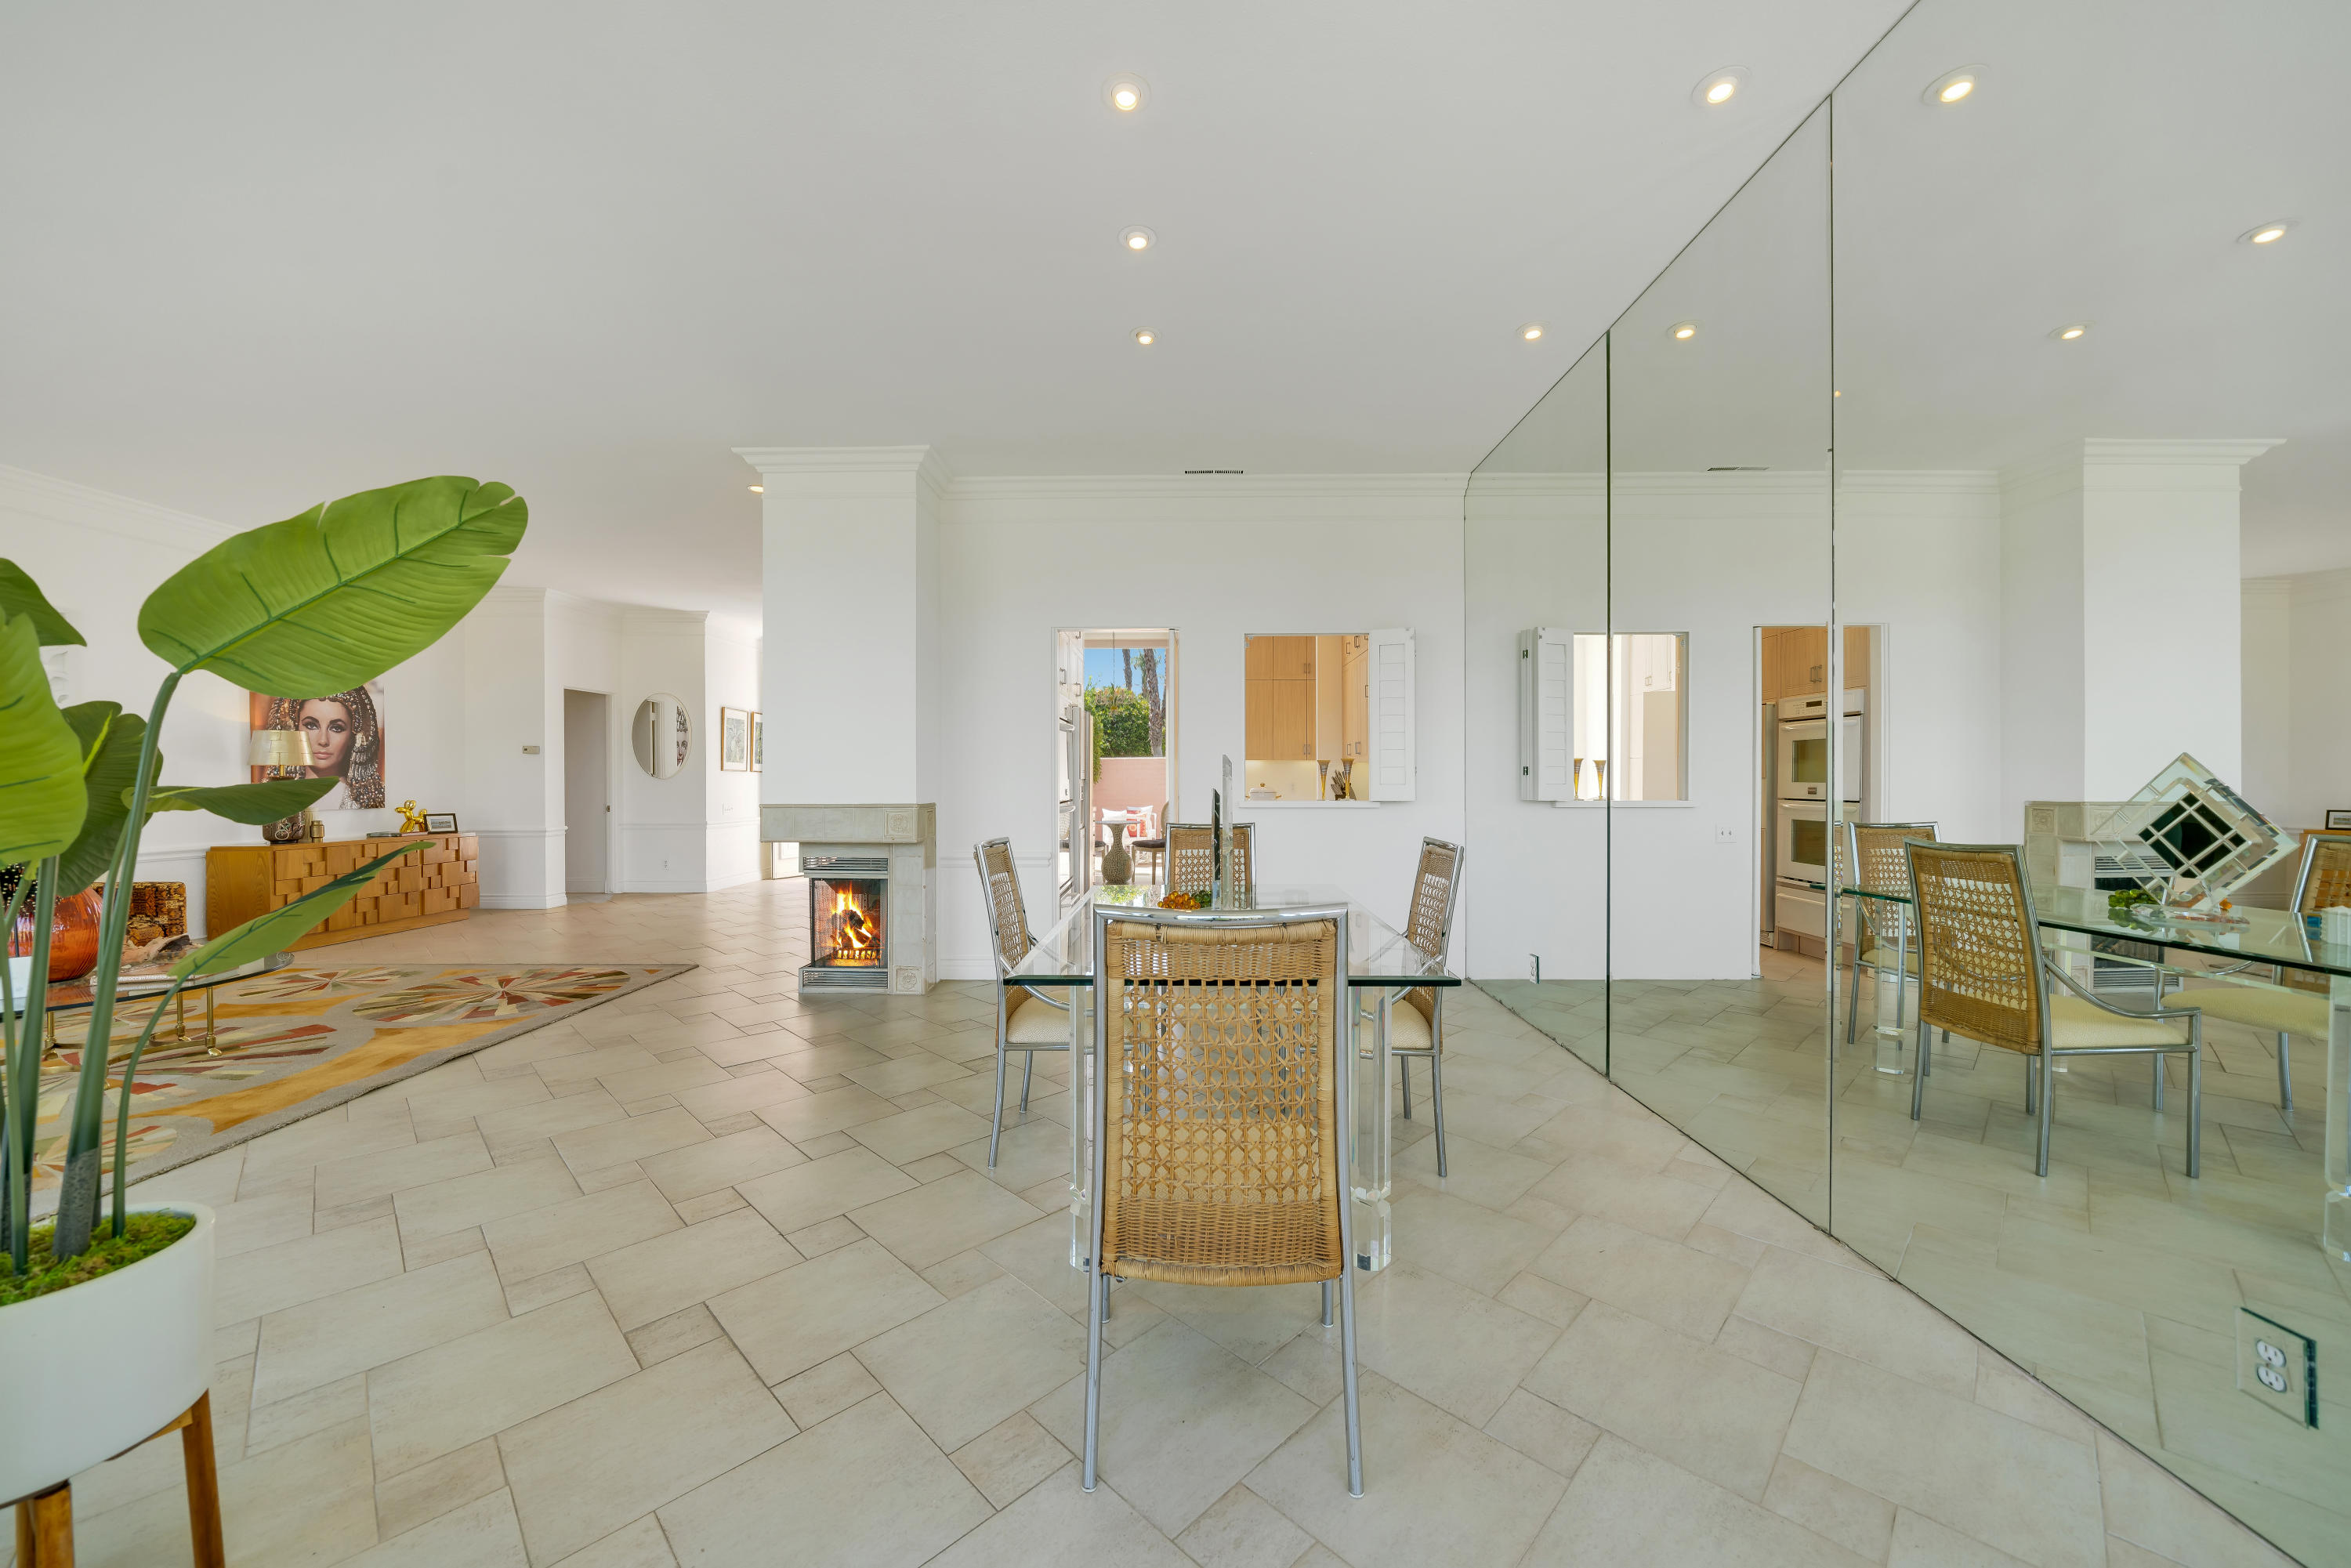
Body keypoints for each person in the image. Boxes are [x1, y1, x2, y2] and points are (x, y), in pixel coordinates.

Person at [261, 685, 384, 809]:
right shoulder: (273, 795)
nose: (323, 740)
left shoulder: (368, 802)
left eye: (337, 728)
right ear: (296, 729)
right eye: (311, 725)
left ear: (352, 737)